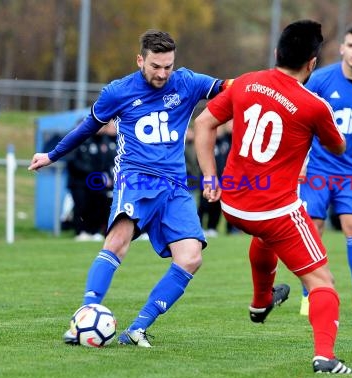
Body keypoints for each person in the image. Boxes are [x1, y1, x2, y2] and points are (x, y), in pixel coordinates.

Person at [28, 29, 232, 347]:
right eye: (155, 66)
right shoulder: (118, 91)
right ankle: (85, 314)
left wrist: (266, 87)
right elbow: (86, 128)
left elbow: (228, 88)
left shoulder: (187, 82)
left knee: (191, 258)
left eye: (168, 66)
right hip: (136, 178)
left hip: (176, 186)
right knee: (118, 241)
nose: (163, 73)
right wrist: (51, 155)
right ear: (140, 60)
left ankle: (137, 329)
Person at [194, 20, 352, 374]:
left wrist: (209, 177)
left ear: (277, 53)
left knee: (265, 237)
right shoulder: (314, 105)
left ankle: (261, 303)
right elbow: (339, 147)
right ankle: (325, 356)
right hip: (275, 210)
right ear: (312, 63)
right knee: (323, 282)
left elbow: (203, 123)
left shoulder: (246, 81)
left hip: (232, 205)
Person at [298, 23, 352, 317]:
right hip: (317, 170)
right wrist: (300, 158)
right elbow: (300, 116)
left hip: (349, 171)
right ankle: (308, 295)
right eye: (351, 46)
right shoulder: (320, 79)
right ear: (342, 48)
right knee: (314, 230)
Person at [66, 121, 116, 241]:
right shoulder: (77, 141)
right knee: (81, 206)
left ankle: (93, 231)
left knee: (94, 205)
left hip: (94, 182)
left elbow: (104, 162)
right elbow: (74, 162)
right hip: (79, 182)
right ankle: (80, 232)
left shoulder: (102, 141)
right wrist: (95, 174)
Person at [197, 121, 232, 237]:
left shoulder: (226, 141)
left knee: (217, 204)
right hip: (209, 177)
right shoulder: (208, 143)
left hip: (224, 178)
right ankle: (199, 226)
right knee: (204, 202)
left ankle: (212, 227)